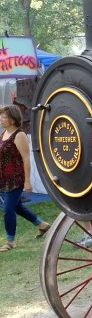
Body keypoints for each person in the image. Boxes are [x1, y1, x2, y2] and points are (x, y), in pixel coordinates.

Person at [0, 104, 50, 251]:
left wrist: (27, 181)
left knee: (8, 209)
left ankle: (10, 242)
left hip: (16, 179)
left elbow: (26, 158)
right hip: (4, 178)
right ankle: (42, 225)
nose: (1, 119)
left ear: (13, 119)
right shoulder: (4, 133)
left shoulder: (19, 135)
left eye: (4, 117)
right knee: (17, 207)